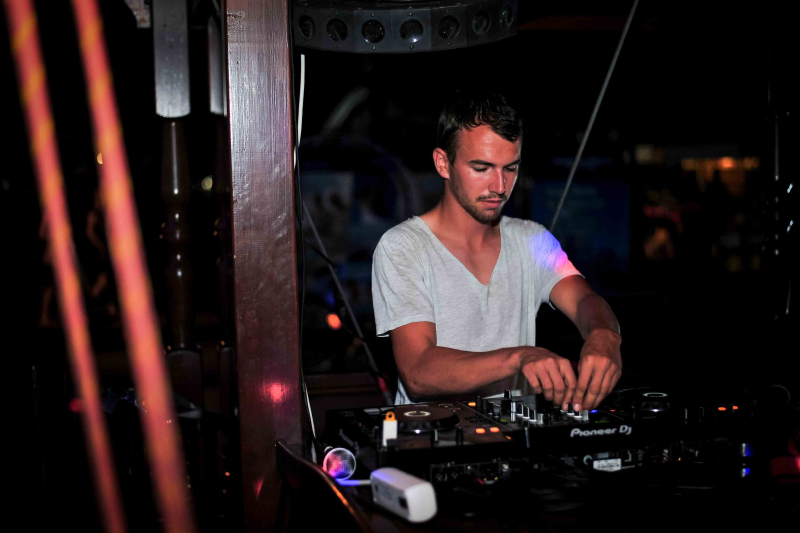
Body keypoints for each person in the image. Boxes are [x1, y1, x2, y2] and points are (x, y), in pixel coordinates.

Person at [371, 90, 622, 412]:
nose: (499, 187)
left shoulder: (532, 240)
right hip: (432, 435)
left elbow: (584, 299)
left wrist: (604, 335)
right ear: (443, 163)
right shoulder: (403, 247)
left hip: (516, 436)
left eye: (510, 168)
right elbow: (419, 372)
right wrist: (518, 358)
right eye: (481, 168)